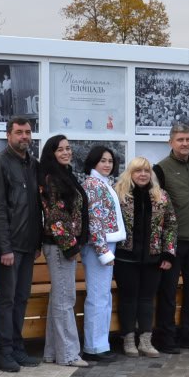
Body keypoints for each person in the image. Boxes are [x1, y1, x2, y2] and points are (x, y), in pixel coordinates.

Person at [0, 117, 43, 373]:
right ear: (8, 134)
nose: (24, 137)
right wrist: (4, 247)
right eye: (19, 132)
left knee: (21, 298)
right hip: (10, 247)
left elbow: (36, 207)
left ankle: (18, 349)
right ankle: (4, 352)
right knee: (7, 300)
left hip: (29, 244)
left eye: (28, 132)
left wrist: (38, 240)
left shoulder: (33, 164)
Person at [153, 123, 189, 353]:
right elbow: (158, 206)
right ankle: (166, 337)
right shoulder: (161, 169)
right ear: (171, 142)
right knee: (168, 291)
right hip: (173, 242)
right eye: (180, 140)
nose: (185, 143)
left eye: (188, 139)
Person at [112, 156, 177, 357]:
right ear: (130, 173)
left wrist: (168, 253)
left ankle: (146, 341)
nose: (142, 175)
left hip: (153, 257)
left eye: (146, 171)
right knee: (129, 299)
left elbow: (171, 225)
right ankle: (129, 339)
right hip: (126, 258)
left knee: (147, 299)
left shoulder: (160, 196)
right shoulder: (120, 194)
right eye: (138, 171)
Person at [37, 136, 91, 368]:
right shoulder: (51, 179)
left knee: (58, 299)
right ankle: (68, 354)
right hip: (59, 246)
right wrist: (70, 246)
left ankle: (52, 352)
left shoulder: (65, 174)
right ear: (51, 153)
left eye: (68, 148)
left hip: (65, 245)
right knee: (65, 300)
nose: (66, 152)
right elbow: (55, 215)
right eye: (60, 149)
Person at [80, 146, 122, 362]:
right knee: (97, 297)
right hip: (99, 248)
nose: (107, 164)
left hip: (105, 245)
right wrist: (103, 251)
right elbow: (94, 221)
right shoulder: (92, 185)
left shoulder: (102, 183)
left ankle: (100, 343)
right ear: (93, 162)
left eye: (110, 161)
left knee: (103, 297)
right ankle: (94, 347)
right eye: (103, 161)